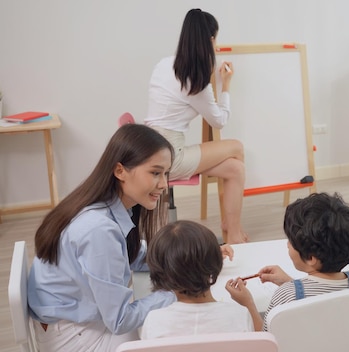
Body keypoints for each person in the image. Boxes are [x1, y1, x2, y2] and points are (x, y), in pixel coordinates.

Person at [28, 124, 177, 351]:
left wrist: (189, 257)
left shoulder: (104, 205)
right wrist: (177, 293)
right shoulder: (99, 230)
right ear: (120, 171)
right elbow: (119, 320)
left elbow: (132, 255)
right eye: (155, 173)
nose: (164, 184)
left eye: (166, 173)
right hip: (73, 337)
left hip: (71, 322)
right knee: (173, 329)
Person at [144, 8, 247, 244]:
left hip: (149, 148)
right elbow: (219, 120)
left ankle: (232, 230)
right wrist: (226, 85)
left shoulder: (164, 65)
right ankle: (234, 234)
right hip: (170, 158)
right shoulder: (195, 80)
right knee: (237, 148)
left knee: (235, 169)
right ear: (210, 40)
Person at [225, 192, 349, 331]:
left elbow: (266, 342)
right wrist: (289, 282)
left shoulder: (286, 295)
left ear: (311, 258)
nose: (287, 244)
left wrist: (248, 304)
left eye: (291, 241)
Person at [140, 220, 253, 339]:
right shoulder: (239, 316)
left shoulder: (154, 322)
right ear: (216, 263)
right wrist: (248, 304)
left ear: (159, 273)